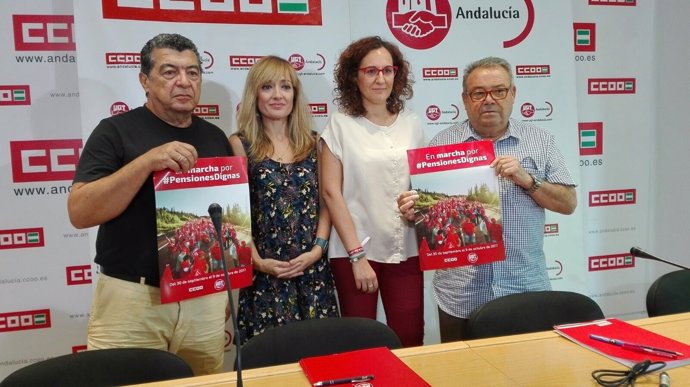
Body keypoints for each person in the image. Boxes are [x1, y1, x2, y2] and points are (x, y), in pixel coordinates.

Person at [67, 33, 232, 375]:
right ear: (145, 80)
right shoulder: (115, 131)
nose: (184, 82)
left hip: (203, 297)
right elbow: (80, 212)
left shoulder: (215, 137)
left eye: (193, 73)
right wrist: (146, 163)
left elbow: (224, 221)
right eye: (170, 72)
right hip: (134, 298)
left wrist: (222, 287)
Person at [398, 56, 577, 342]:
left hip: (525, 288)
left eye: (499, 91)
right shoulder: (442, 145)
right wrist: (414, 212)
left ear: (513, 94)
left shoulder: (542, 141)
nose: (489, 100)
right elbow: (424, 219)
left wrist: (528, 180)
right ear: (465, 99)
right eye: (478, 93)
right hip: (461, 294)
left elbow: (568, 203)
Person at [321, 36, 425, 347]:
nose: (381, 79)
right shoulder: (340, 125)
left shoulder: (413, 123)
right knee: (360, 343)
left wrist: (419, 202)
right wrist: (357, 257)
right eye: (370, 71)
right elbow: (330, 193)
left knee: (410, 338)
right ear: (354, 76)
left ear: (397, 74)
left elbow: (424, 186)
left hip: (406, 248)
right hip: (356, 251)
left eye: (388, 70)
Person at [228, 55, 339, 344]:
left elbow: (327, 200)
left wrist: (317, 250)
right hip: (264, 275)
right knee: (272, 364)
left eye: (285, 87)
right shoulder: (240, 144)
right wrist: (257, 261)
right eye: (267, 87)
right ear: (255, 95)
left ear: (295, 94)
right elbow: (235, 213)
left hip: (313, 272)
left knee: (321, 357)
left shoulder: (314, 142)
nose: (277, 95)